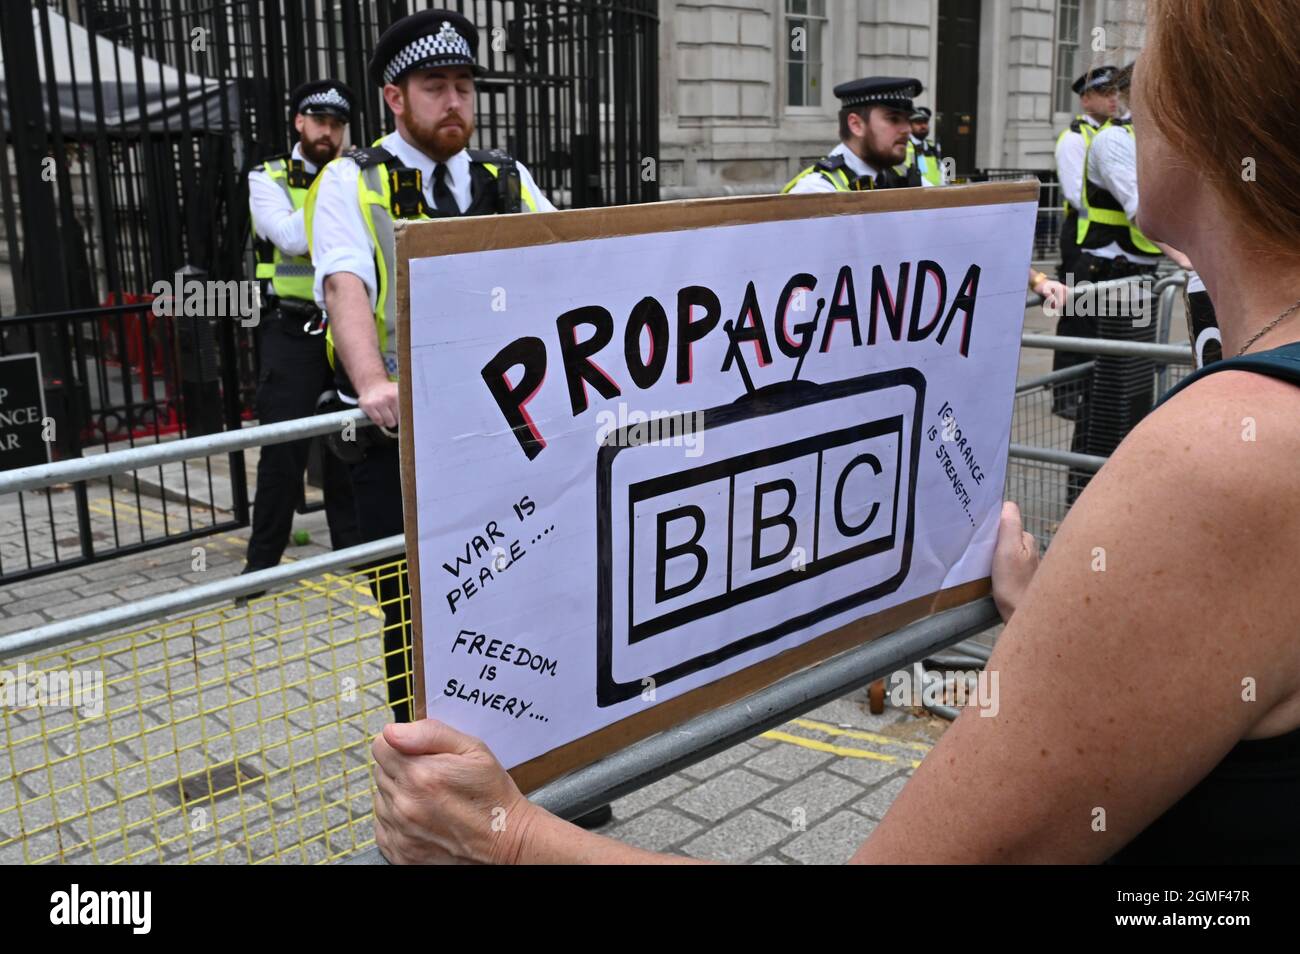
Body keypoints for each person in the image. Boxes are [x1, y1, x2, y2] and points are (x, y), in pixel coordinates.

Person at [369, 0, 1300, 864]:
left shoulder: (1221, 458)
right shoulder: (1238, 440)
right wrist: (1064, 611)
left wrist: (513, 837)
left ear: (1218, 117)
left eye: (1150, 65)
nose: (1123, 96)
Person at [306, 9, 555, 728]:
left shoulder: (505, 177)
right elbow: (344, 284)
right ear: (394, 97)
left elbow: (565, 257)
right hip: (401, 435)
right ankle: (429, 788)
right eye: (435, 86)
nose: (455, 102)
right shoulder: (352, 183)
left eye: (465, 87)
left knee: (517, 593)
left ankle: (529, 764)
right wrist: (373, 384)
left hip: (501, 425)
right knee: (415, 613)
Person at [242, 80, 361, 585]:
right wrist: (336, 185)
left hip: (349, 328)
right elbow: (289, 235)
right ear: (299, 122)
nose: (327, 132)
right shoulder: (267, 176)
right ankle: (260, 567)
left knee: (351, 443)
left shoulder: (360, 173)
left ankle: (355, 552)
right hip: (291, 330)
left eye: (336, 124)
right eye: (319, 121)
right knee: (283, 449)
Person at [783, 77, 931, 194]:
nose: (907, 130)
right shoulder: (817, 191)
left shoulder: (900, 178)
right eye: (893, 119)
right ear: (856, 125)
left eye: (907, 119)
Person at [1054, 66, 1119, 285]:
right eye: (1104, 92)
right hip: (1081, 235)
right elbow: (1075, 194)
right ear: (1086, 100)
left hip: (1108, 237)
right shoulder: (1075, 138)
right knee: (1078, 311)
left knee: (1105, 311)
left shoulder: (1116, 134)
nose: (1113, 98)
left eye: (1115, 91)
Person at [905, 106, 945, 186]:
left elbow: (942, 169)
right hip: (916, 193)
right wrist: (931, 189)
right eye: (918, 123)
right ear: (910, 125)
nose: (923, 126)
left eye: (925, 122)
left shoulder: (932, 146)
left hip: (936, 193)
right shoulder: (905, 145)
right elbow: (905, 171)